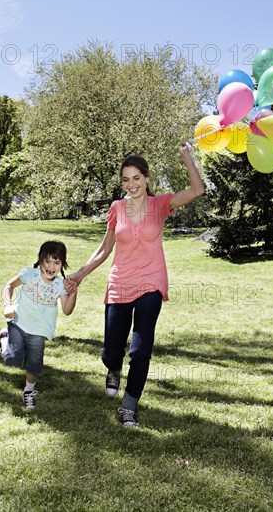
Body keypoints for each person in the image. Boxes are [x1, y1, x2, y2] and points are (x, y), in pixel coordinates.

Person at [70, 141, 204, 426]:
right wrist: (80, 274)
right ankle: (113, 368)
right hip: (120, 283)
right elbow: (104, 249)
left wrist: (185, 155)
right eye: (126, 179)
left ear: (146, 178)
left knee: (141, 350)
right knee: (111, 350)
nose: (131, 184)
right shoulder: (117, 208)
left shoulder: (160, 204)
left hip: (151, 283)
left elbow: (197, 191)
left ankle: (129, 406)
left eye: (137, 178)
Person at [1, 240, 77, 409]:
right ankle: (4, 338)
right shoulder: (29, 274)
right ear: (40, 260)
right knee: (11, 359)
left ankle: (28, 392)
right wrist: (8, 304)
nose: (51, 266)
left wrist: (73, 293)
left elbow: (67, 310)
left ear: (62, 264)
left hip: (39, 331)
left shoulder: (60, 285)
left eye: (56, 262)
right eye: (47, 261)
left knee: (34, 364)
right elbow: (9, 286)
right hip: (18, 323)